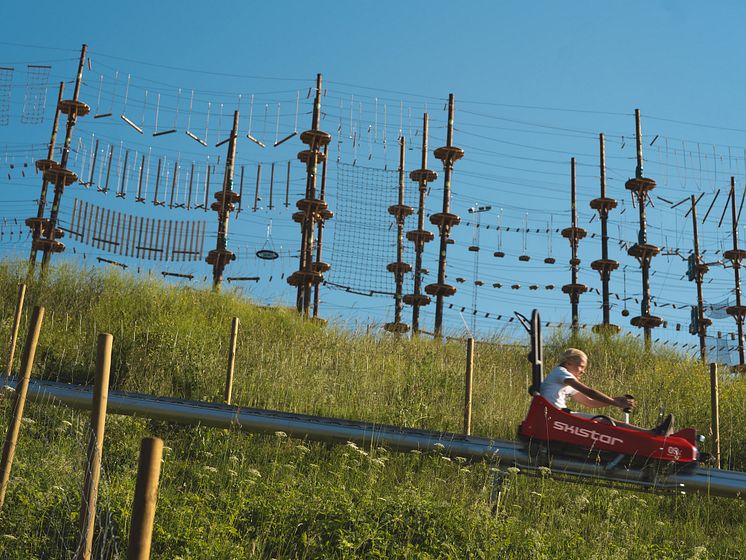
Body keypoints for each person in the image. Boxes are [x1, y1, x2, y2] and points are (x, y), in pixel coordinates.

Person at [540, 348, 673, 435]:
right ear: (568, 363)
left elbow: (590, 402)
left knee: (606, 421)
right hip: (556, 417)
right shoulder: (561, 373)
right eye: (581, 366)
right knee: (605, 422)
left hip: (560, 415)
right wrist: (615, 402)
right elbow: (590, 392)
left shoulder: (563, 378)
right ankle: (651, 434)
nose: (583, 371)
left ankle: (651, 433)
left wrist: (613, 401)